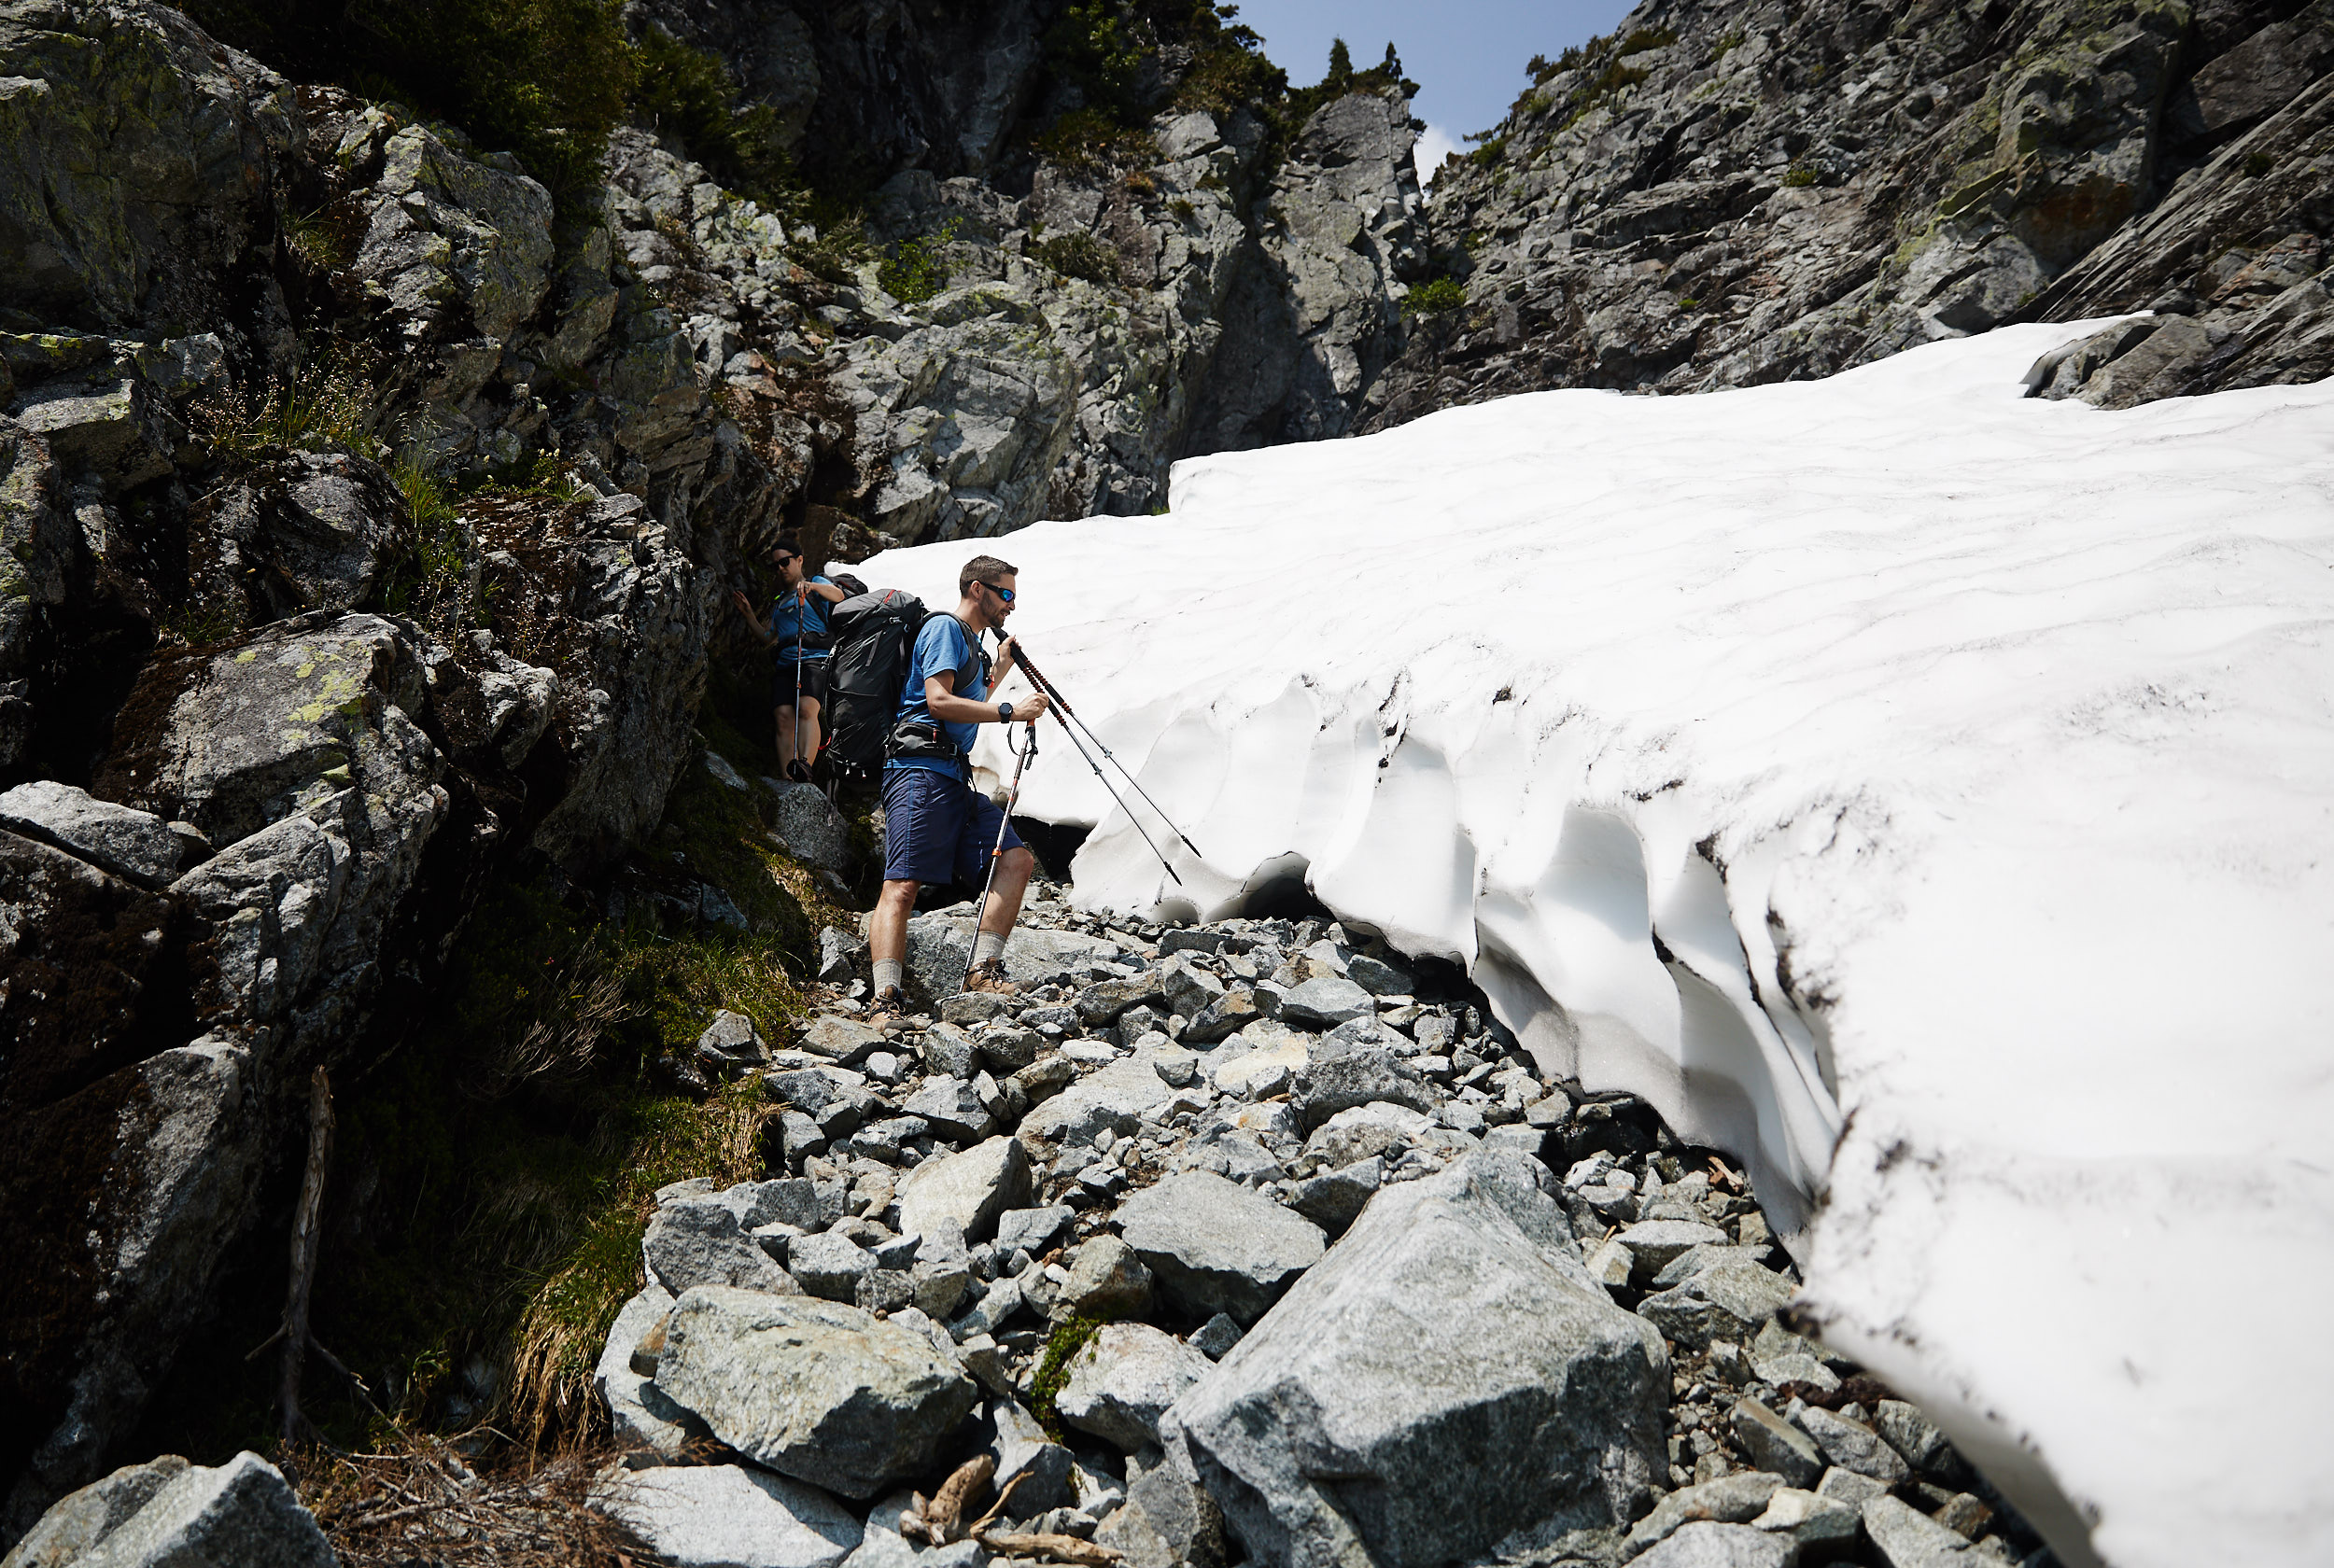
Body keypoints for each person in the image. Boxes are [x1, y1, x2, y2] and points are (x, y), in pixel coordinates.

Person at [866, 553, 1051, 1020]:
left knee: (1015, 859)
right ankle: (885, 1000)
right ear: (977, 589)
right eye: (1005, 594)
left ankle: (983, 971)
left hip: (950, 775)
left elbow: (965, 703)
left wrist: (1001, 672)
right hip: (918, 771)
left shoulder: (971, 643)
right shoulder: (945, 629)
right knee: (902, 885)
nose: (1010, 605)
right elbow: (939, 702)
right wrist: (1011, 711)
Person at [731, 536, 847, 781]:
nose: (781, 568)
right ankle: (787, 776)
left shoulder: (815, 583)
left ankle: (804, 766)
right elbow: (768, 637)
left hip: (815, 658)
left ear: (800, 560)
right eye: (776, 565)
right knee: (783, 716)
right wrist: (749, 614)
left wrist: (812, 587)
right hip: (786, 663)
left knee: (807, 709)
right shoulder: (779, 601)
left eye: (785, 562)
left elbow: (839, 596)